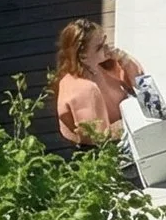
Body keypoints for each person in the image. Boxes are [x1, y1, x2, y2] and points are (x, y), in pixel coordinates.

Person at [50, 19, 146, 149]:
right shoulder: (84, 90)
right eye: (100, 47)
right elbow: (97, 137)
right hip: (102, 146)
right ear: (83, 57)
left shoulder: (99, 66)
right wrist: (130, 122)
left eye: (105, 40)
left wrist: (124, 59)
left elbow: (140, 82)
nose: (107, 47)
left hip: (121, 119)